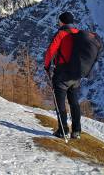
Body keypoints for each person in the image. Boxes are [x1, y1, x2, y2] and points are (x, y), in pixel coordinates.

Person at [44, 11, 82, 139]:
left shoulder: (61, 34)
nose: (58, 23)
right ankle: (76, 131)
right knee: (74, 102)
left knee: (60, 102)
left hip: (62, 74)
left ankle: (63, 130)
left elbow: (50, 51)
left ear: (62, 22)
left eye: (59, 21)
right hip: (76, 75)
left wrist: (47, 66)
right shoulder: (79, 33)